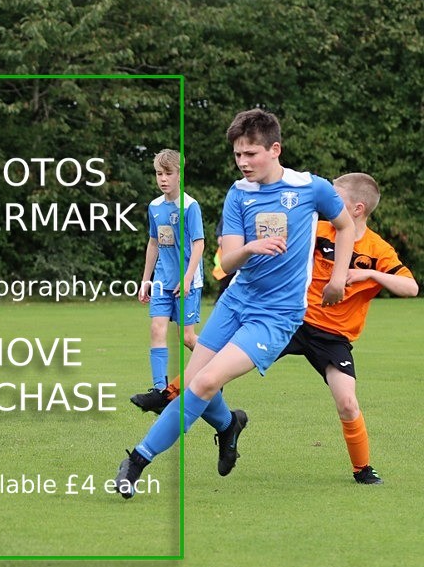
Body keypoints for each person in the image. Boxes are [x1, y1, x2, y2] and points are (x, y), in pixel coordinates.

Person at [114, 108, 355, 498]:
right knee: (193, 382)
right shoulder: (237, 194)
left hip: (277, 315)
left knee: (206, 381)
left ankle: (136, 461)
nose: (243, 163)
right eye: (237, 155)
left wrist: (340, 276)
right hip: (237, 301)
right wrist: (251, 249)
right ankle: (228, 425)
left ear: (274, 149)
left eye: (251, 154)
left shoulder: (312, 188)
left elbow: (345, 226)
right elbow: (227, 261)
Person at [278, 172, 417, 483]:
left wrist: (370, 276)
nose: (328, 203)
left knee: (347, 401)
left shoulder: (377, 250)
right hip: (294, 320)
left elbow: (411, 288)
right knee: (231, 360)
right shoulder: (320, 230)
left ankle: (362, 469)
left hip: (334, 337)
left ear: (357, 208)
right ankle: (173, 393)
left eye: (335, 198)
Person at [129, 149, 204, 411]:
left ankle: (214, 371)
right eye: (159, 174)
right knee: (157, 329)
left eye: (168, 173)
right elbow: (153, 242)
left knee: (187, 337)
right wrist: (145, 279)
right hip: (161, 281)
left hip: (187, 283)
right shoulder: (154, 207)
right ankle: (160, 391)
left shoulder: (190, 206)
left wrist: (186, 278)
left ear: (179, 175)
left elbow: (199, 245)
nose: (163, 179)